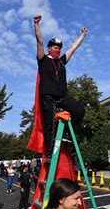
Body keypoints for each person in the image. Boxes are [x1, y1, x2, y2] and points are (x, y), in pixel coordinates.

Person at [34, 14, 87, 157]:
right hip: (47, 98)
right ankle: (50, 152)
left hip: (62, 97)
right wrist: (36, 24)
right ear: (50, 49)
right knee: (49, 123)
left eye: (59, 48)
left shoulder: (62, 61)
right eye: (55, 47)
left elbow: (73, 48)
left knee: (80, 111)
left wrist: (83, 35)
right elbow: (39, 41)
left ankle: (68, 135)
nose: (58, 50)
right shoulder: (43, 59)